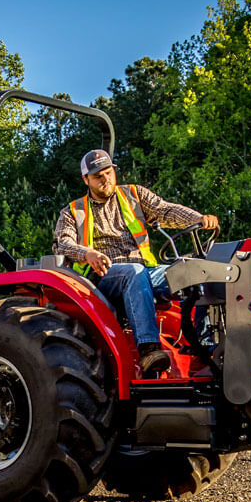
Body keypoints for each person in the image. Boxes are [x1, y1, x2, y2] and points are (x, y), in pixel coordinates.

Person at [53, 149, 219, 374]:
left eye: (108, 172)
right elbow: (62, 244)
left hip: (145, 271)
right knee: (133, 271)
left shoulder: (134, 194)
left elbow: (165, 210)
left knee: (198, 272)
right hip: (102, 277)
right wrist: (87, 254)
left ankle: (204, 350)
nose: (105, 179)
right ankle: (149, 349)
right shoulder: (73, 211)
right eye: (98, 176)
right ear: (86, 180)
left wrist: (198, 218)